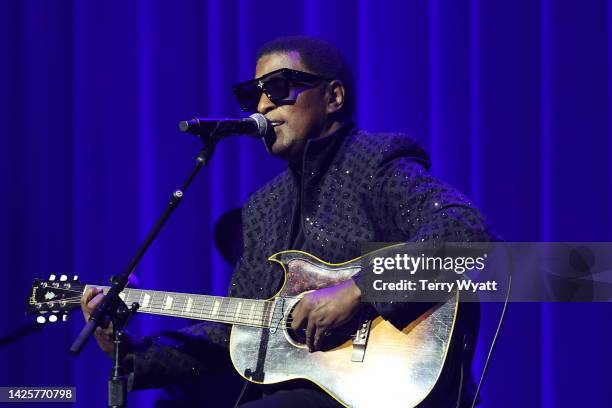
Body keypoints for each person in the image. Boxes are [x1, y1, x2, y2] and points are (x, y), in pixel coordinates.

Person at [82, 36, 491, 407]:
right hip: (300, 392)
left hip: (389, 386)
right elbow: (228, 337)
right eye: (252, 94)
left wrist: (357, 291)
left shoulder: (374, 161)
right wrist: (124, 349)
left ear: (333, 96)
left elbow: (464, 231)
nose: (262, 106)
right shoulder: (263, 207)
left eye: (278, 88)